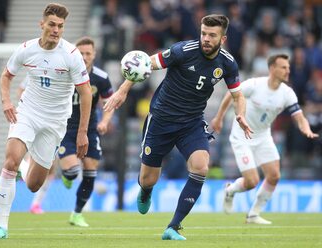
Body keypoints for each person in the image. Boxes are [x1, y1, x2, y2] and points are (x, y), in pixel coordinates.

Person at [104, 14, 252, 240]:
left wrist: (240, 114)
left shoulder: (227, 63)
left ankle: (173, 226)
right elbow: (145, 64)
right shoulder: (183, 50)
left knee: (201, 167)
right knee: (148, 179)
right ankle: (146, 191)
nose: (206, 39)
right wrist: (123, 90)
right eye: (203, 33)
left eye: (212, 35)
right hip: (161, 120)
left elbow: (238, 95)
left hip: (191, 122)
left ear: (222, 39)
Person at [0, 3, 92, 240]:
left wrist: (82, 132)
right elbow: (6, 76)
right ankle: (1, 227)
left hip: (54, 122)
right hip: (28, 112)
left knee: (33, 184)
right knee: (10, 160)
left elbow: (86, 93)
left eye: (61, 26)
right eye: (52, 24)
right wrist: (6, 101)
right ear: (42, 24)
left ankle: (27, 165)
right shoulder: (26, 49)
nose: (56, 30)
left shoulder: (71, 55)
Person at [211, 54, 319, 224]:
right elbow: (230, 95)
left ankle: (253, 214)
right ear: (272, 69)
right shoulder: (254, 85)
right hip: (242, 136)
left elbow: (299, 116)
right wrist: (219, 117)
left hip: (263, 136)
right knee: (252, 181)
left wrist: (306, 128)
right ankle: (230, 191)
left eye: (288, 67)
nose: (287, 70)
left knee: (274, 175)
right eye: (283, 67)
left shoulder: (287, 93)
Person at [58, 36, 114, 227]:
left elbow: (109, 103)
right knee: (73, 171)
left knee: (90, 172)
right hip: (64, 128)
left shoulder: (101, 78)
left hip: (89, 128)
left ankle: (77, 213)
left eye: (88, 53)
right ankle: (67, 175)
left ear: (94, 55)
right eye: (80, 53)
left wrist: (105, 121)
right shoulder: (64, 73)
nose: (84, 56)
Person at [16, 77, 56, 214]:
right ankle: (20, 166)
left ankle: (36, 204)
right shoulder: (36, 70)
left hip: (55, 121)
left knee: (51, 168)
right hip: (37, 121)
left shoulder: (63, 70)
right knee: (40, 161)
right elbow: (20, 90)